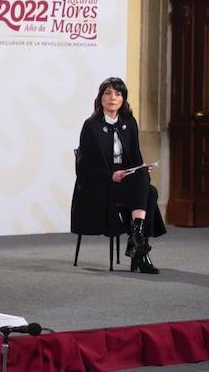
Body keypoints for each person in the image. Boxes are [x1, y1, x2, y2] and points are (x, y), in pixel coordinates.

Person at [71, 77, 166, 274]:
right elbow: (84, 167)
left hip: (126, 182)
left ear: (123, 99)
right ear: (100, 98)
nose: (113, 98)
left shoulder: (129, 123)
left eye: (118, 93)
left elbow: (135, 156)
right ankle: (139, 250)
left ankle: (136, 240)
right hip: (101, 184)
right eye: (108, 93)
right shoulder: (91, 126)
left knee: (143, 178)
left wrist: (141, 167)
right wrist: (110, 176)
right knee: (151, 193)